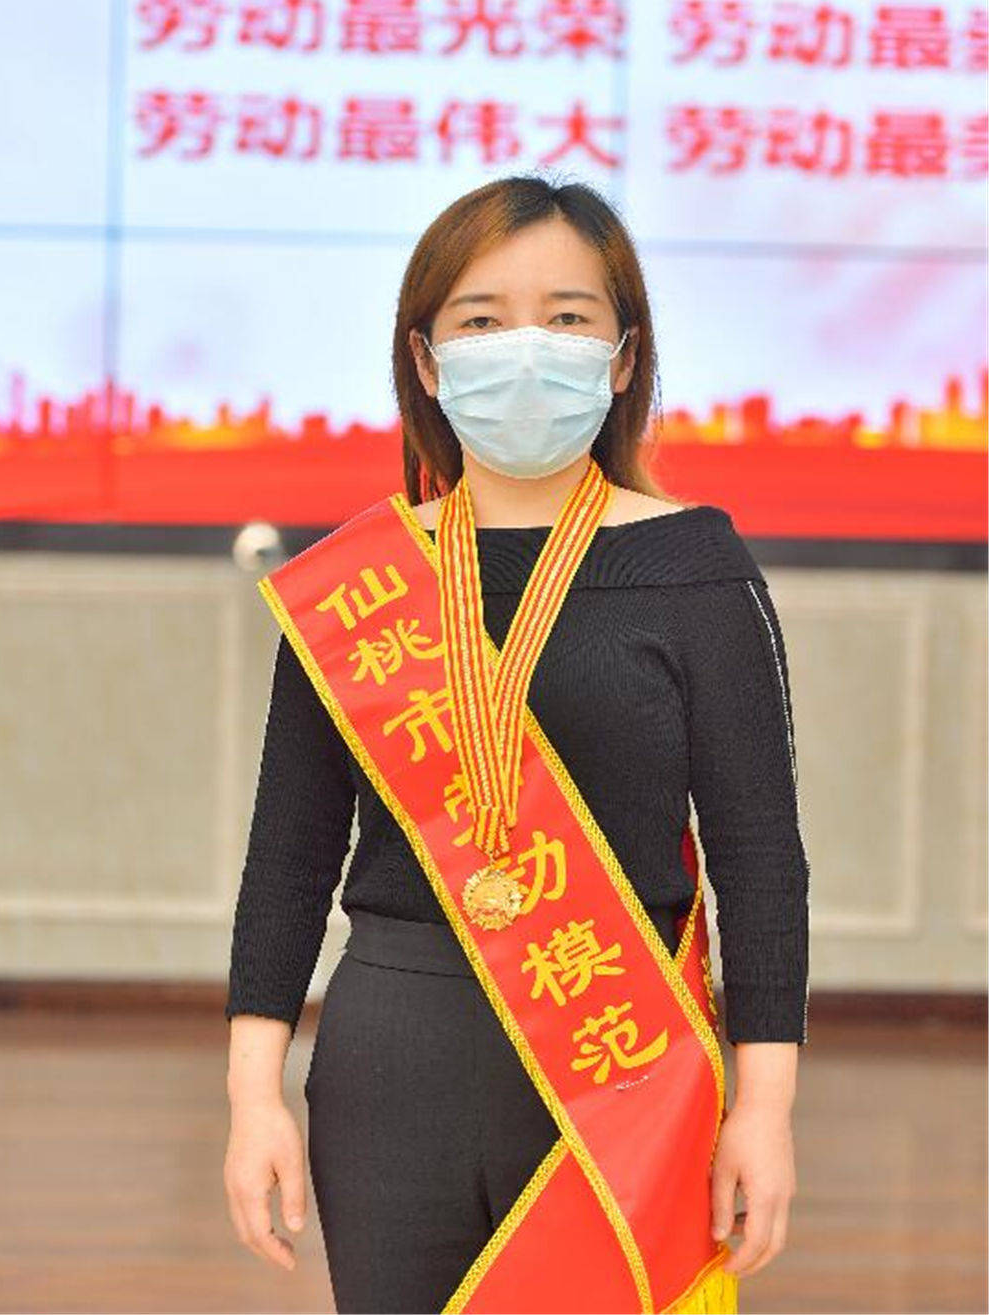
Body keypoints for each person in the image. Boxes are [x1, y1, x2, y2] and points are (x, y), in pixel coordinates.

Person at [223, 174, 810, 1314]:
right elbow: (287, 862)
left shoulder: (698, 570)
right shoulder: (357, 590)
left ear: (624, 357)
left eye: (568, 317)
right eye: (483, 320)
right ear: (427, 359)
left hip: (621, 1051)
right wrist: (254, 1098)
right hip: (392, 1056)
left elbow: (760, 864)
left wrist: (764, 1110)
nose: (526, 348)